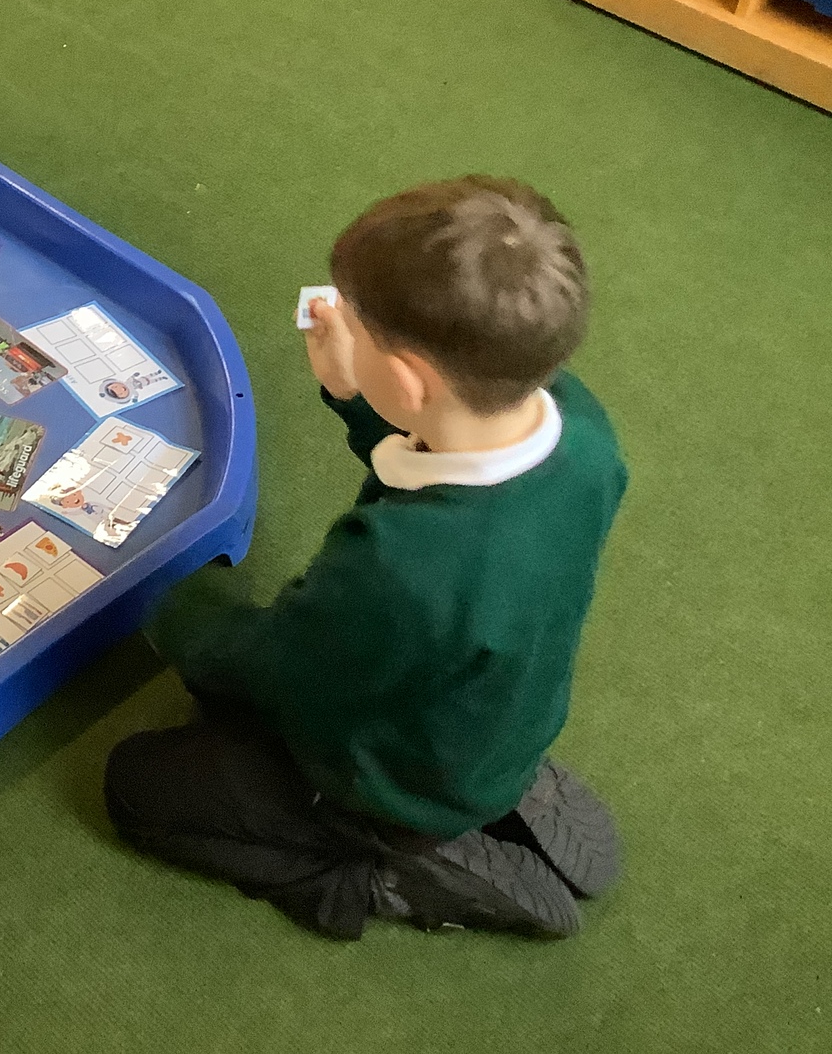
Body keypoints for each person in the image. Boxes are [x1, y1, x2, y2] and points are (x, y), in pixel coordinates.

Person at [104, 177, 629, 941]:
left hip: (389, 783)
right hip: (494, 709)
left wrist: (179, 605)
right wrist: (356, 395)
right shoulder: (582, 430)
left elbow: (284, 670)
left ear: (410, 381)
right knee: (435, 687)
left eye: (356, 325)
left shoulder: (402, 563)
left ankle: (386, 871)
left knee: (137, 786)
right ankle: (497, 785)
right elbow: (437, 454)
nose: (338, 325)